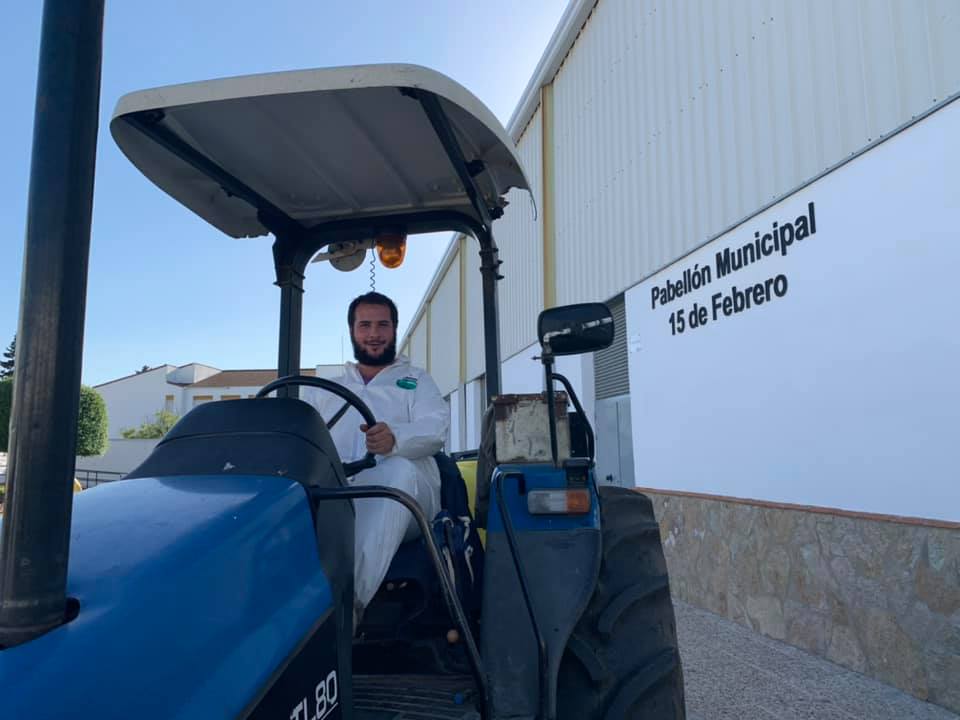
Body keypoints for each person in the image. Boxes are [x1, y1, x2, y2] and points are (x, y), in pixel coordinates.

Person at [302, 292, 449, 622]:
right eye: (364, 325)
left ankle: (344, 610)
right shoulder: (324, 391)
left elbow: (435, 429)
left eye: (383, 325)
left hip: (411, 504)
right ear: (352, 330)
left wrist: (396, 438)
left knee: (397, 471)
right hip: (340, 496)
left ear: (395, 329)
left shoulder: (416, 382)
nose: (374, 334)